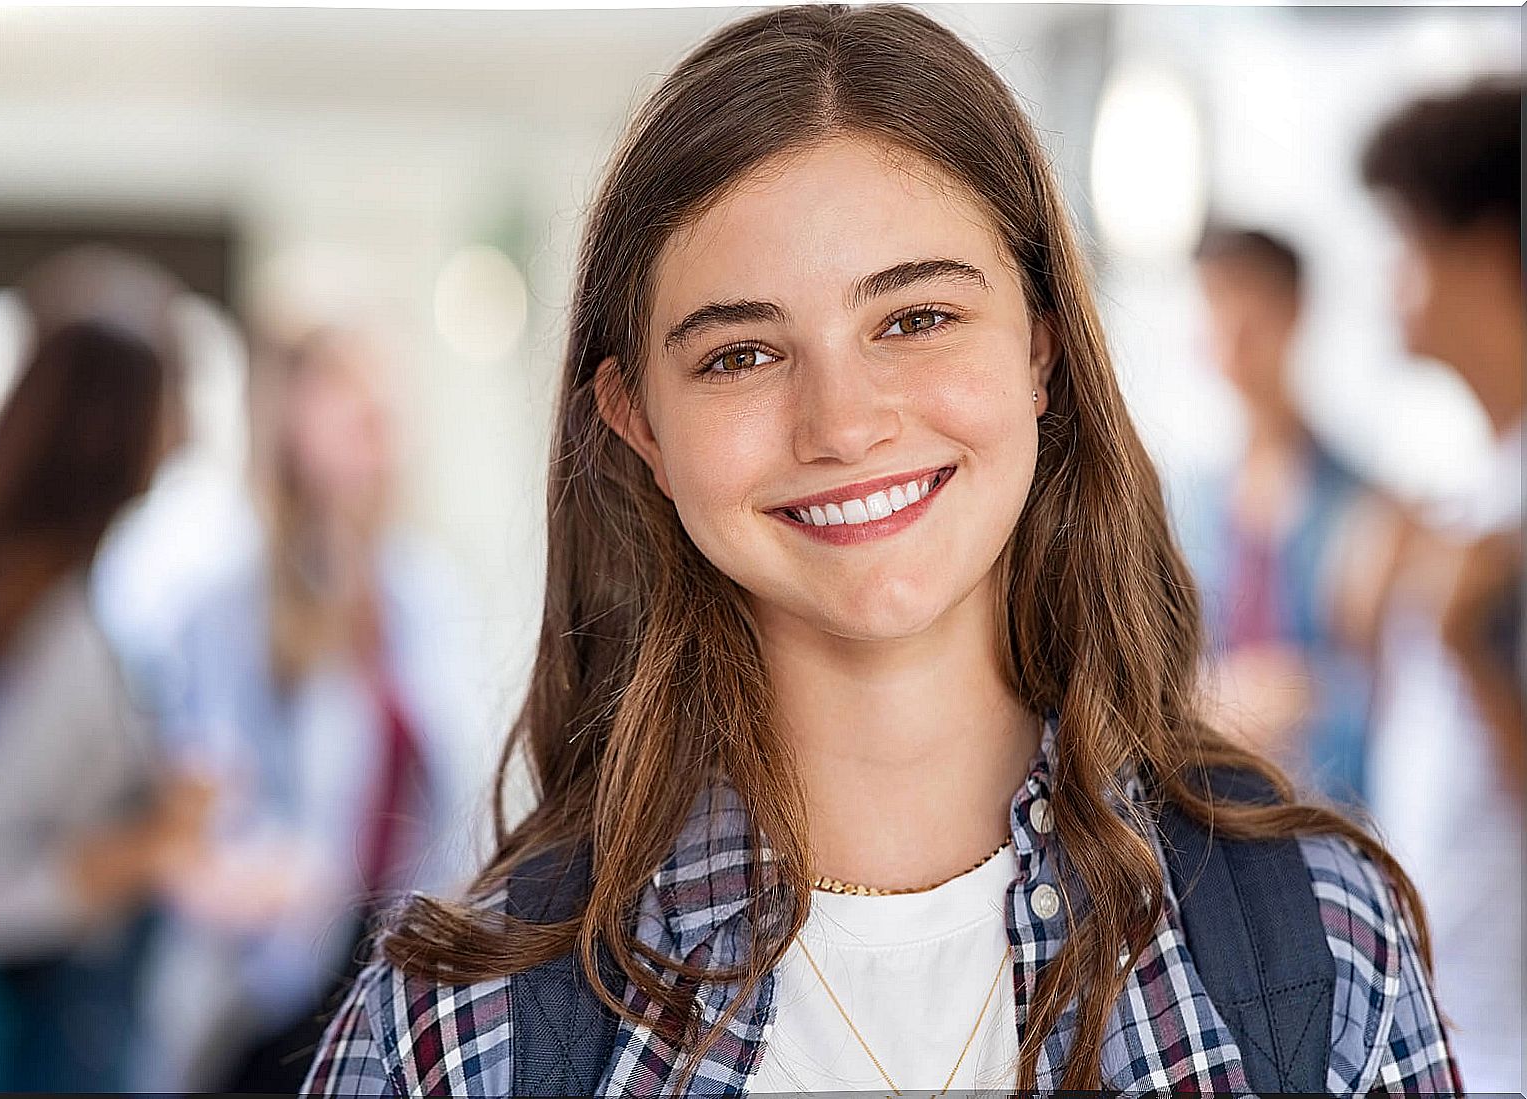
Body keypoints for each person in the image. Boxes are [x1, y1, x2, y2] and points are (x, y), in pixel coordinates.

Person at [305, 6, 1460, 1093]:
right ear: (637, 423)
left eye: (915, 319)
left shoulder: (1320, 940)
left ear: (1041, 350)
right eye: (741, 354)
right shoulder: (460, 1029)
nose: (844, 424)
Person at [137, 325, 493, 1091]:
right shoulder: (226, 603)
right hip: (267, 993)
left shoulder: (422, 589)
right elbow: (197, 816)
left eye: (380, 385)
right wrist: (273, 874)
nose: (375, 407)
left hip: (399, 977)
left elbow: (462, 789)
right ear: (287, 419)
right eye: (344, 387)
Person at [0, 316, 212, 1091]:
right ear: (112, 425)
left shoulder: (63, 600)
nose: (190, 426)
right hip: (42, 1034)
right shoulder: (59, 632)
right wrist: (145, 846)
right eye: (174, 396)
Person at [1358, 75, 1523, 1095]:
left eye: (1409, 244)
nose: (1392, 280)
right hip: (1452, 1028)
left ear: (1488, 250)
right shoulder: (1477, 490)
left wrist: (1466, 647)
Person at [1176, 227, 1376, 807]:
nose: (1233, 327)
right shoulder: (1183, 506)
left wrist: (1304, 692)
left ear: (1294, 312)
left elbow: (1394, 702)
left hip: (1330, 813)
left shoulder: (1363, 508)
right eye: (1216, 304)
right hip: (1214, 813)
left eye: (1249, 301)